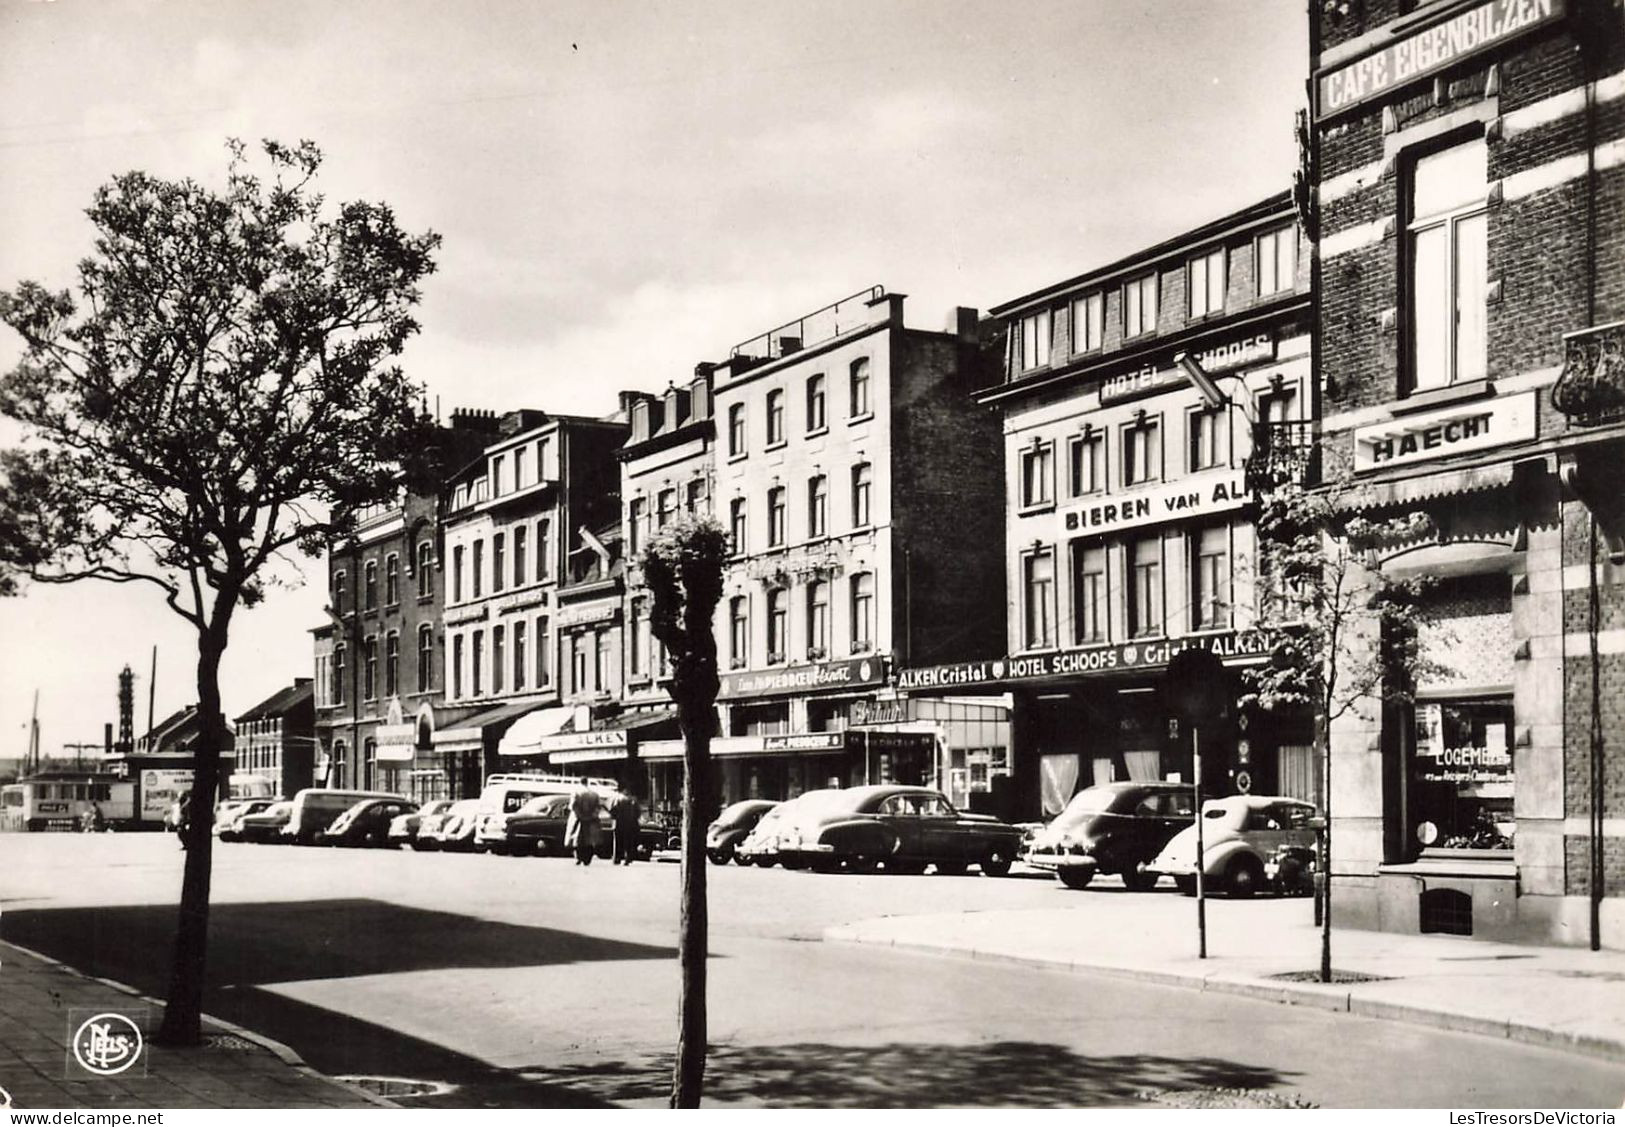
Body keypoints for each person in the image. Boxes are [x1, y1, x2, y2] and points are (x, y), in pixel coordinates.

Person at [565, 785, 603, 866]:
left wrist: (580, 815)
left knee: (577, 840)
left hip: (579, 820)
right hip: (591, 821)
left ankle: (578, 858)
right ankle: (587, 859)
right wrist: (592, 815)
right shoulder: (594, 794)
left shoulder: (576, 792)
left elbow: (573, 806)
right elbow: (598, 807)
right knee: (589, 841)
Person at [609, 790, 641, 865]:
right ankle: (628, 858)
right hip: (630, 824)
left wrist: (614, 818)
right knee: (628, 842)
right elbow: (638, 812)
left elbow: (613, 811)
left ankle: (617, 858)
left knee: (618, 842)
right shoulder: (633, 800)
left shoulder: (617, 799)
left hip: (619, 824)